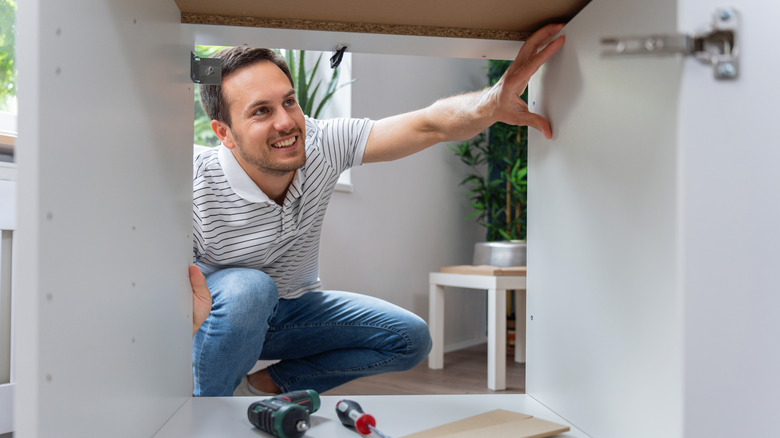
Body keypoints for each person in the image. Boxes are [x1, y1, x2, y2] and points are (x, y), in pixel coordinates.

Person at [189, 23, 565, 397]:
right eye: (261, 111)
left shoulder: (323, 143)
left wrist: (490, 102)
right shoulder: (192, 184)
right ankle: (207, 408)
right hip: (220, 320)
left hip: (293, 314)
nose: (286, 122)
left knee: (410, 338)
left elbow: (428, 125)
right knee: (250, 290)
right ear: (224, 133)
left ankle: (259, 389)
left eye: (289, 102)